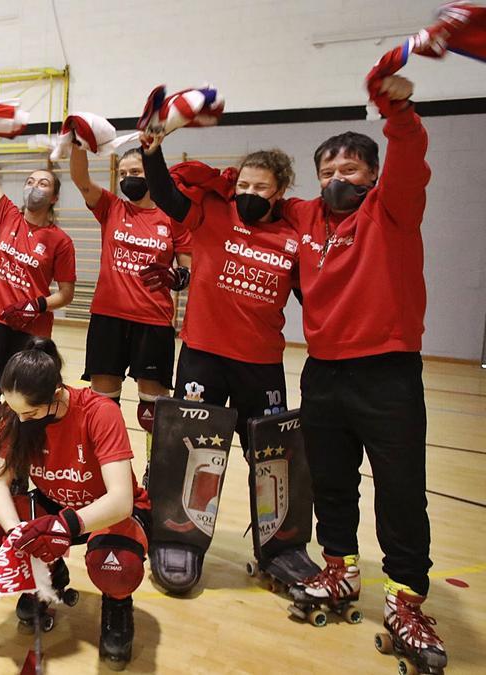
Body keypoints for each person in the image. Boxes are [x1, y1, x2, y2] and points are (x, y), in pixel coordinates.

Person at [279, 74, 447, 670]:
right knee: (332, 481)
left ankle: (405, 599)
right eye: (327, 172)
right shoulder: (305, 217)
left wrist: (396, 107)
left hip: (387, 373)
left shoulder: (391, 210)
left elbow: (409, 153)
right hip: (323, 373)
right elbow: (246, 189)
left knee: (400, 490)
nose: (336, 180)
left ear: (372, 176)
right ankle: (340, 568)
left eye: (349, 170)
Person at [140, 131, 315, 594]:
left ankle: (282, 546)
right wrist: (152, 150)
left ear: (280, 191)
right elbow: (164, 192)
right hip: (203, 355)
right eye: (244, 186)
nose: (249, 195)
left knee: (273, 457)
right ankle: (178, 536)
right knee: (191, 451)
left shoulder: (292, 236)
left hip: (261, 364)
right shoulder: (212, 212)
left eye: (261, 189)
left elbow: (315, 293)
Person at [0, 338, 149, 670]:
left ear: (56, 394)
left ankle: (118, 605)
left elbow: (121, 499)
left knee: (118, 567)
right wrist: (19, 534)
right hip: (54, 504)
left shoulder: (99, 412)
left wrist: (62, 527)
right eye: (15, 410)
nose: (22, 420)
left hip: (102, 511)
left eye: (31, 412)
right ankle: (48, 573)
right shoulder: (17, 414)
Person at [68, 144, 191, 438]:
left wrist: (175, 277)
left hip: (153, 320)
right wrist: (78, 143)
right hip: (108, 317)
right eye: (123, 174)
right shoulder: (111, 206)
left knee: (151, 409)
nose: (127, 179)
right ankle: (105, 467)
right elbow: (80, 178)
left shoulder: (172, 217)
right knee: (102, 403)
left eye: (135, 172)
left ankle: (154, 469)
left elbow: (188, 271)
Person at [0, 132, 77, 447]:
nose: (34, 187)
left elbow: (65, 293)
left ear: (54, 197)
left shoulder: (60, 241)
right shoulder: (7, 216)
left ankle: (17, 464)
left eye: (43, 183)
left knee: (25, 399)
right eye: (29, 181)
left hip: (32, 330)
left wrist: (35, 306)